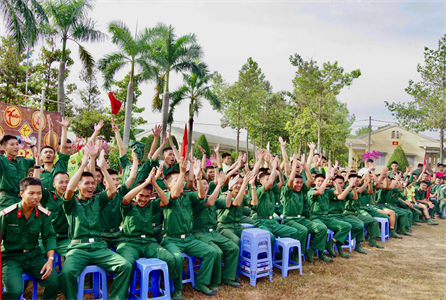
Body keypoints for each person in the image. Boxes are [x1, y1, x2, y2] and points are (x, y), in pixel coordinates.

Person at [60, 142, 132, 300]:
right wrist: (83, 164)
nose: (91, 186)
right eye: (87, 183)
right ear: (79, 187)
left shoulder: (98, 200)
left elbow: (113, 190)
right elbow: (69, 189)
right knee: (67, 272)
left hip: (99, 247)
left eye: (93, 183)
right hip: (78, 248)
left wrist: (104, 169)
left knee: (125, 265)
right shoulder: (72, 202)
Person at [117, 167, 179, 299]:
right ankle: (123, 294)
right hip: (129, 243)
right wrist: (145, 183)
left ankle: (165, 284)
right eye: (141, 195)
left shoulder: (152, 206)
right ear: (136, 195)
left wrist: (155, 184)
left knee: (169, 258)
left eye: (147, 196)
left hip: (148, 242)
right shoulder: (129, 206)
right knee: (127, 264)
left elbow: (166, 201)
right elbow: (126, 199)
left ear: (151, 196)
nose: (143, 199)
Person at [160, 158, 218, 298]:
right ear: (168, 185)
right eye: (177, 181)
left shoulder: (187, 195)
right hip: (171, 240)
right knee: (178, 258)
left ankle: (201, 283)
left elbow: (201, 196)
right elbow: (174, 194)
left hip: (189, 238)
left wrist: (198, 177)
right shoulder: (166, 196)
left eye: (182, 180)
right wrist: (181, 172)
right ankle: (178, 289)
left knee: (211, 252)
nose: (182, 183)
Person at [1, 177, 60, 300]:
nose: (36, 197)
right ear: (22, 194)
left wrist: (50, 261)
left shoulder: (44, 215)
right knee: (14, 292)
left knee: (54, 283)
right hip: (11, 258)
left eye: (39, 193)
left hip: (34, 257)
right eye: (31, 193)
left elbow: (49, 237)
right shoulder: (7, 214)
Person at [192, 169, 241, 291]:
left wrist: (229, 189)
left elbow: (227, 204)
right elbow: (208, 202)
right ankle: (212, 281)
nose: (205, 186)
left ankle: (227, 277)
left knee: (234, 248)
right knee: (217, 252)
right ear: (196, 186)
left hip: (213, 232)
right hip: (199, 233)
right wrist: (219, 185)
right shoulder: (194, 200)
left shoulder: (211, 197)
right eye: (202, 184)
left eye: (206, 184)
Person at [281, 154, 331, 263]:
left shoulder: (302, 190)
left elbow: (310, 179)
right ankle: (297, 253)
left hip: (301, 219)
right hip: (289, 220)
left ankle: (313, 250)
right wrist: (294, 166)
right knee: (303, 230)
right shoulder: (287, 192)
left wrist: (305, 167)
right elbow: (289, 182)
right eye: (297, 183)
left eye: (300, 182)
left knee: (322, 228)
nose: (299, 185)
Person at [307, 168, 353, 260]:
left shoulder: (327, 192)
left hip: (327, 217)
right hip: (315, 218)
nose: (320, 183)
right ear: (314, 182)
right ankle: (315, 251)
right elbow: (319, 192)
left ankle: (330, 243)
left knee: (347, 226)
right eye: (318, 181)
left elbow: (339, 192)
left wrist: (333, 181)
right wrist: (327, 177)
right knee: (322, 228)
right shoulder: (311, 191)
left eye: (322, 181)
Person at [113, 121, 160, 190]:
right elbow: (121, 148)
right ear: (131, 154)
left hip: (139, 196)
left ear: (143, 154)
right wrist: (117, 132)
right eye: (135, 150)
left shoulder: (145, 167)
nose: (137, 152)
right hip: (124, 195)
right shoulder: (126, 165)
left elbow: (151, 152)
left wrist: (156, 138)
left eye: (140, 151)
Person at [329, 174, 367, 255]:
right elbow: (341, 197)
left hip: (341, 215)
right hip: (331, 216)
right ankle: (338, 246)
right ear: (334, 183)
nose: (340, 185)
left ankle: (356, 244)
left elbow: (355, 197)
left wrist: (353, 187)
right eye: (338, 183)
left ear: (344, 183)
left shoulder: (345, 191)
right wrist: (349, 186)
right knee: (344, 226)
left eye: (341, 183)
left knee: (359, 225)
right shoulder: (331, 191)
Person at [344, 172, 384, 249]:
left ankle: (372, 241)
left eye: (356, 181)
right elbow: (358, 191)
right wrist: (367, 182)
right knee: (360, 224)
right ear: (348, 181)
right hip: (347, 213)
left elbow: (370, 191)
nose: (355, 182)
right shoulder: (347, 188)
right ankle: (357, 245)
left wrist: (369, 183)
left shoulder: (358, 188)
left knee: (373, 221)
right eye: (353, 180)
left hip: (356, 213)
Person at [216, 172, 258, 246]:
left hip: (237, 226)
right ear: (231, 184)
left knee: (254, 235)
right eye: (236, 183)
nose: (239, 185)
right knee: (236, 240)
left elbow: (254, 202)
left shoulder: (241, 196)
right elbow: (236, 203)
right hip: (224, 227)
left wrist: (252, 185)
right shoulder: (224, 195)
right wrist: (244, 184)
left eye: (241, 183)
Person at [0, 134, 37, 210]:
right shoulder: (2, 160)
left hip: (22, 199)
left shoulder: (22, 161)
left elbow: (36, 159)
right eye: (12, 145)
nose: (16, 146)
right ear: (4, 148)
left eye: (17, 144)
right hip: (7, 200)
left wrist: (32, 145)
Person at [39, 116, 70, 191]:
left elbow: (63, 146)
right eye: (45, 152)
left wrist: (64, 128)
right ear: (40, 157)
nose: (48, 154)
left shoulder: (61, 165)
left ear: (55, 156)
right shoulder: (38, 172)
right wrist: (50, 128)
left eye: (50, 152)